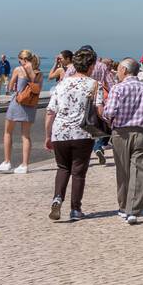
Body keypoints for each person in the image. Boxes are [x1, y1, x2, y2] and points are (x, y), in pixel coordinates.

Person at [43, 47, 104, 222]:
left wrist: (48, 135)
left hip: (60, 132)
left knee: (63, 168)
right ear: (91, 65)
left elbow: (50, 112)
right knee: (78, 171)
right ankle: (75, 209)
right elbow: (99, 111)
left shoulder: (61, 84)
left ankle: (57, 198)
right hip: (82, 132)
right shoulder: (94, 84)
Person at [99, 58, 143, 224]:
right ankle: (133, 210)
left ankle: (123, 206)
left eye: (119, 69)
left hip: (121, 133)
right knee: (140, 170)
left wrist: (107, 119)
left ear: (124, 70)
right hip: (142, 132)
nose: (117, 72)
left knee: (123, 169)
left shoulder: (117, 88)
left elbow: (110, 111)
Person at [0, 50, 41, 173]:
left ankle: (7, 162)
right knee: (26, 135)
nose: (19, 62)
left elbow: (10, 87)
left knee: (8, 132)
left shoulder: (18, 70)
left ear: (23, 59)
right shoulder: (38, 73)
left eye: (20, 60)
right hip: (30, 106)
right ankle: (24, 164)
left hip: (17, 103)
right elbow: (37, 87)